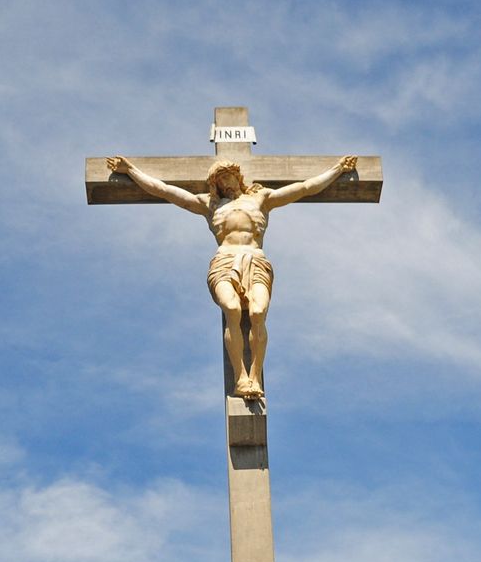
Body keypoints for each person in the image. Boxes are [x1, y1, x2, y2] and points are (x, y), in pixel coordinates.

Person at [105, 154, 359, 400]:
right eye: (219, 179)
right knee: (232, 308)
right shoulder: (211, 205)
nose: (225, 182)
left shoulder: (261, 198)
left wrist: (337, 169)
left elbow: (305, 187)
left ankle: (255, 376)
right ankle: (241, 377)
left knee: (258, 313)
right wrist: (130, 171)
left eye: (227, 176)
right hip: (224, 261)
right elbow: (165, 191)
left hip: (255, 260)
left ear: (238, 176)